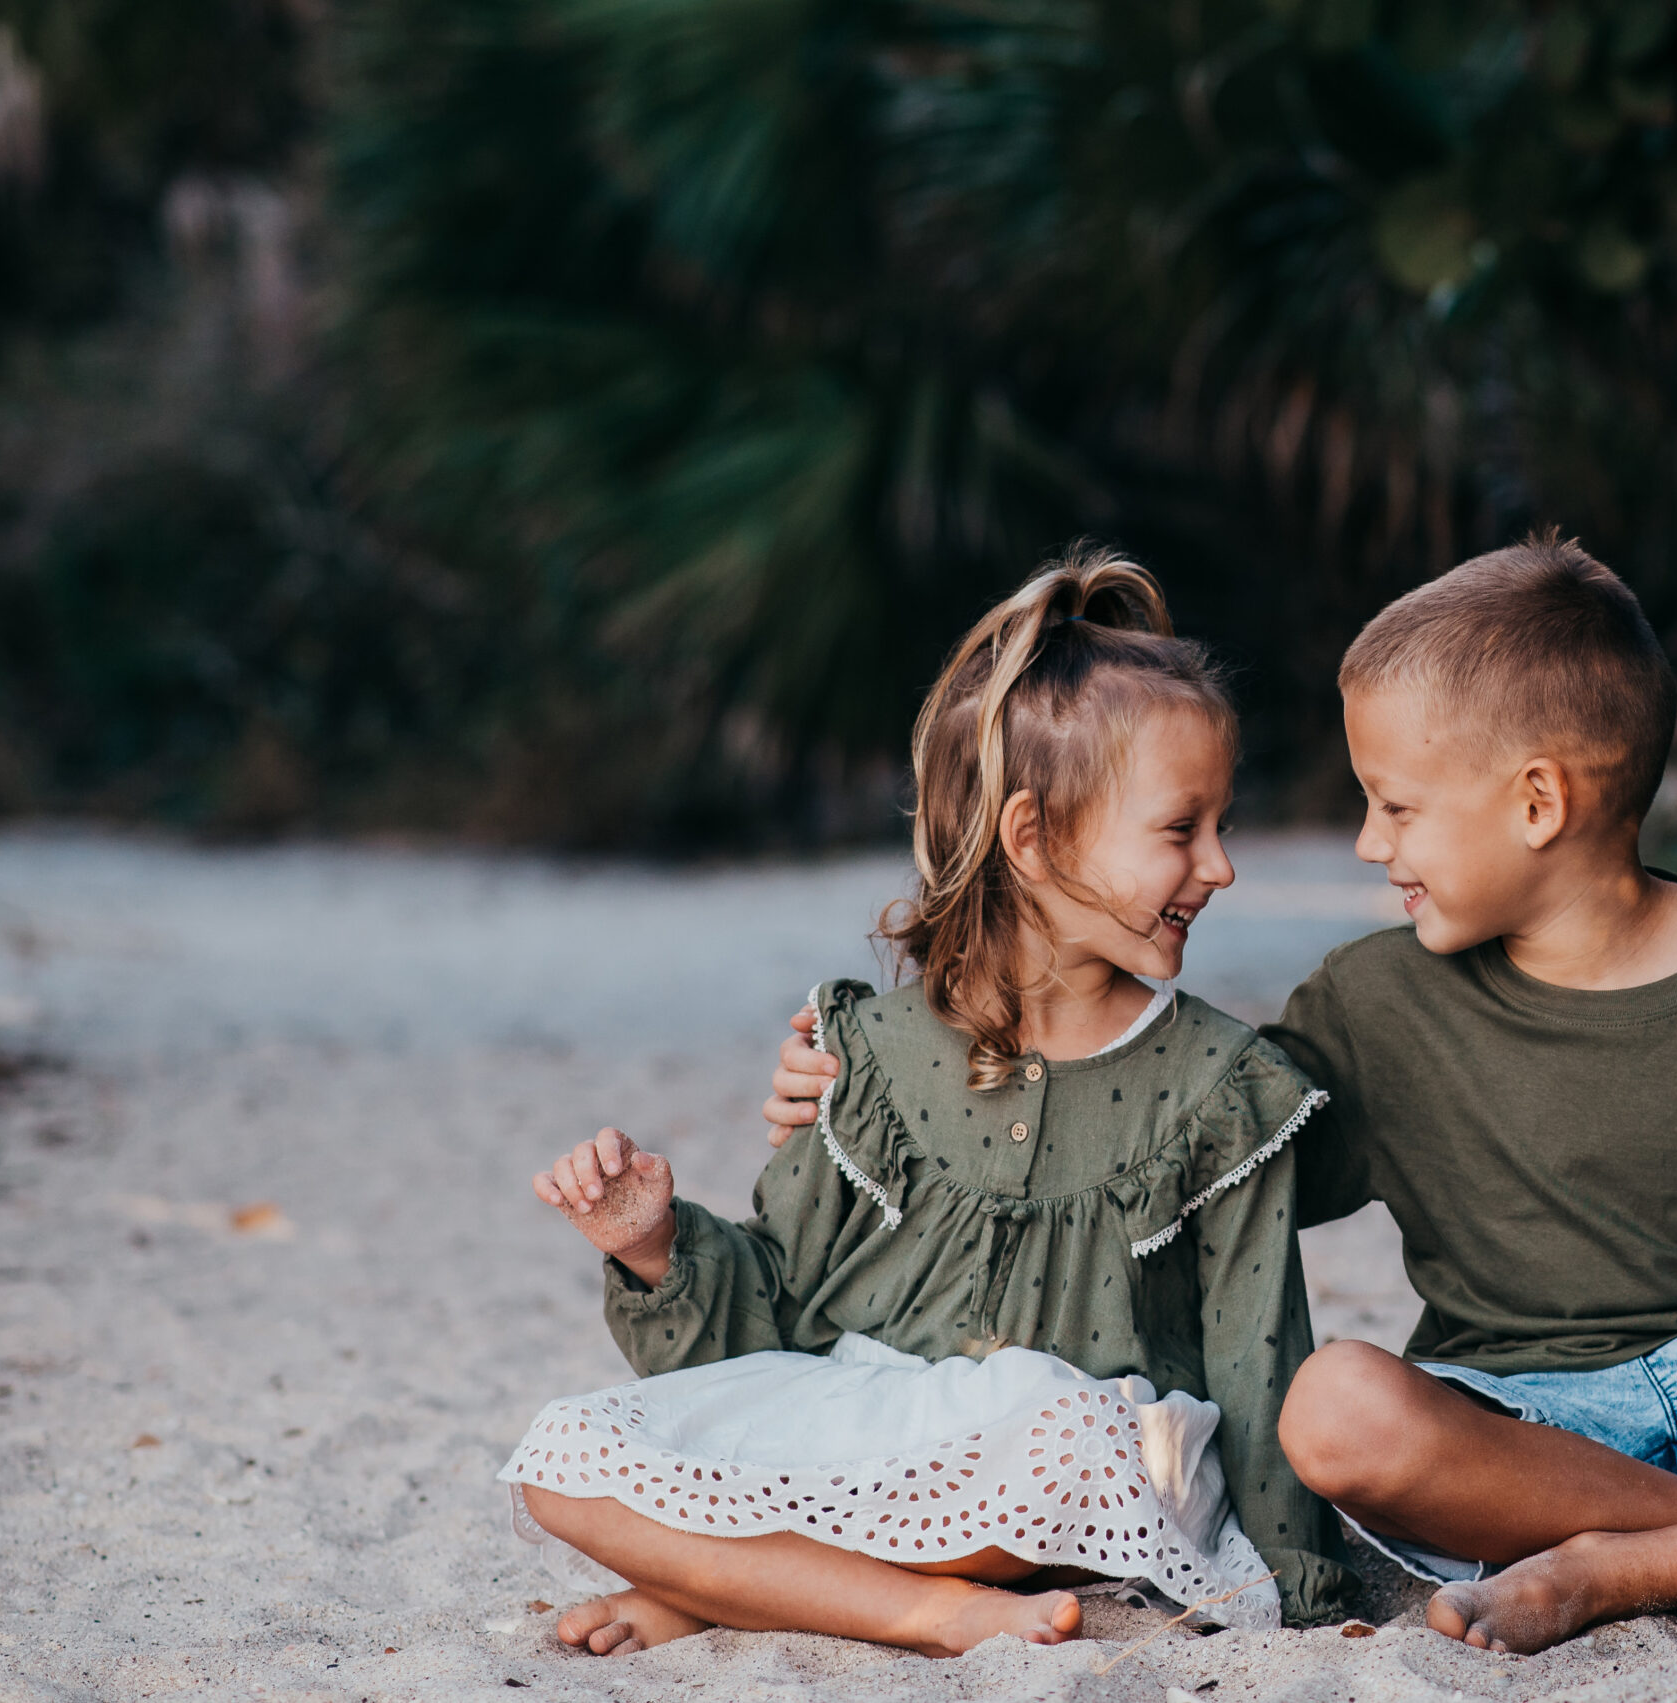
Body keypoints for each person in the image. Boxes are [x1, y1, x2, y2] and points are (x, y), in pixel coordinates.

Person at [764, 532, 1677, 1656]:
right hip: (1520, 1425)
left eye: (1398, 804)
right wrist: (879, 1087)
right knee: (1340, 1409)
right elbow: (1182, 1158)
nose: (1369, 841)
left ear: (1539, 802)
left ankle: (1652, 1565)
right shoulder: (1371, 1002)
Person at [506, 550, 1350, 1661]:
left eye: (1221, 825)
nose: (1222, 866)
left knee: (1071, 1440)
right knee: (559, 1459)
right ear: (1032, 838)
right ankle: (920, 1608)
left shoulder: (1220, 1084)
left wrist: (1297, 1577)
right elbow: (785, 1315)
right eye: (1181, 828)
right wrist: (655, 1246)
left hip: (1072, 1468)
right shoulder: (864, 1051)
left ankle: (747, 1585)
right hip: (874, 1429)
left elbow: (1257, 1349)